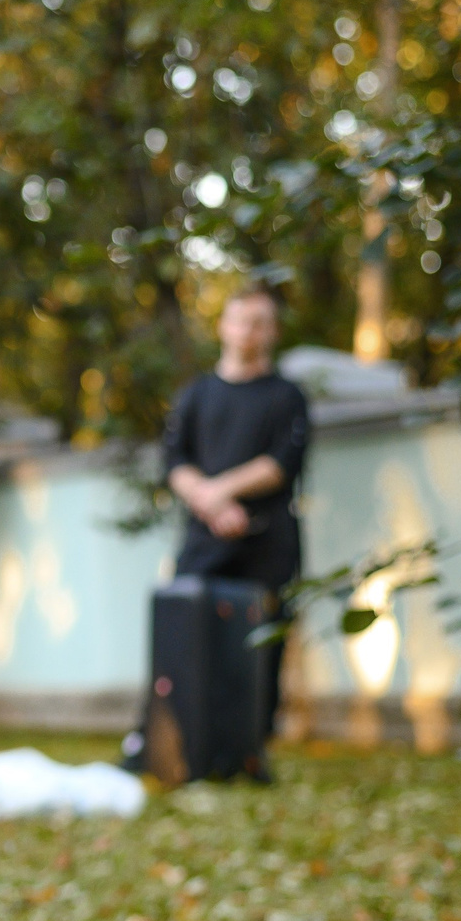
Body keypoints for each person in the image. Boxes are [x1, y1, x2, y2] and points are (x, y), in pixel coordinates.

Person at [161, 282, 312, 751]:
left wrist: (219, 492)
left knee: (263, 646)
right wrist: (210, 503)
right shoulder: (195, 395)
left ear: (273, 332)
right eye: (242, 320)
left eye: (261, 322)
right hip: (202, 541)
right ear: (225, 326)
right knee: (185, 634)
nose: (250, 331)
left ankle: (251, 747)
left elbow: (283, 463)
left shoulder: (287, 396)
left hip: (268, 541)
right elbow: (173, 462)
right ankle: (176, 736)